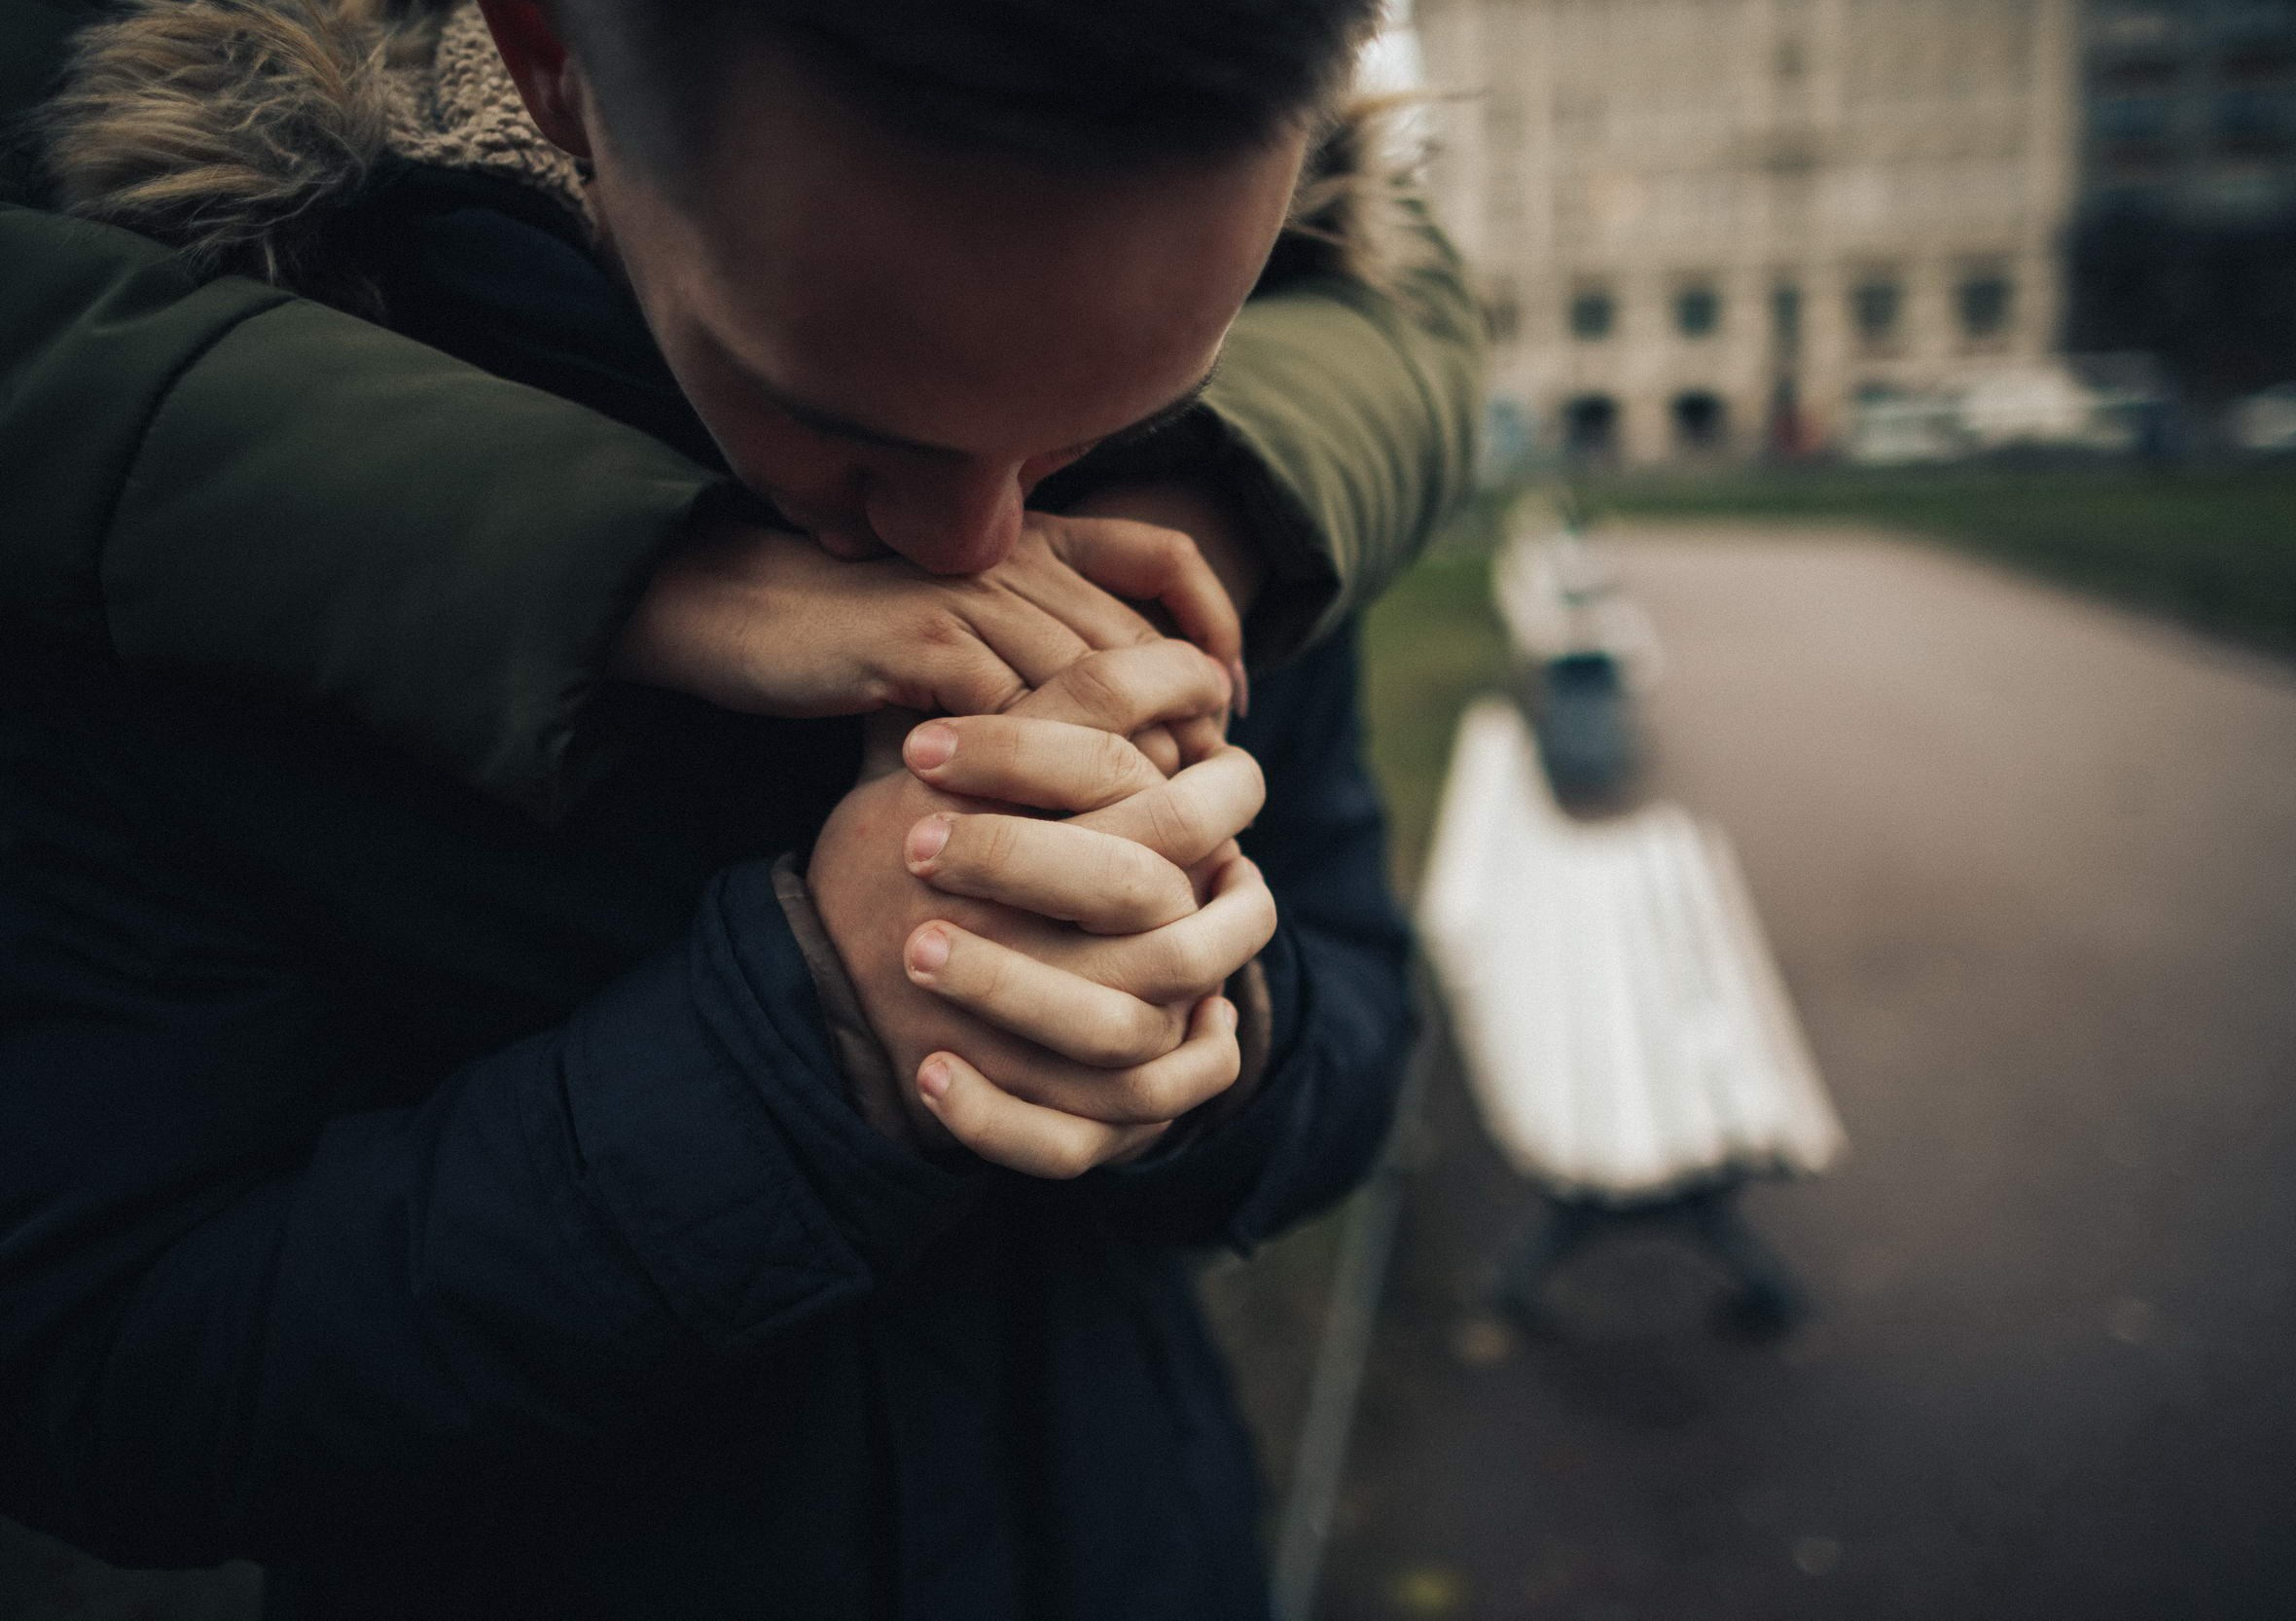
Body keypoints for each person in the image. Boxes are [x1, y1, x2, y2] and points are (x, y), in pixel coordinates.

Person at [0, 2, 1483, 1618]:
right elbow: (110, 1381)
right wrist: (803, 1052)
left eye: (1102, 427)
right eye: (848, 428)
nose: (987, 550)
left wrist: (1211, 1033)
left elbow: (1357, 1016)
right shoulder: (160, 519)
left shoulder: (1223, 450)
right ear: (553, 58)